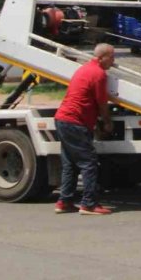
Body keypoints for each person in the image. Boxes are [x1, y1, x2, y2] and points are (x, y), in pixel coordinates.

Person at [54, 43, 115, 215]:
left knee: (70, 164)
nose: (113, 60)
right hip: (75, 122)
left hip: (63, 119)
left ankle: (64, 202)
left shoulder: (84, 69)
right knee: (89, 163)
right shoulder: (99, 74)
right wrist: (107, 122)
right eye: (111, 56)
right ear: (101, 57)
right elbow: (102, 103)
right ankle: (88, 204)